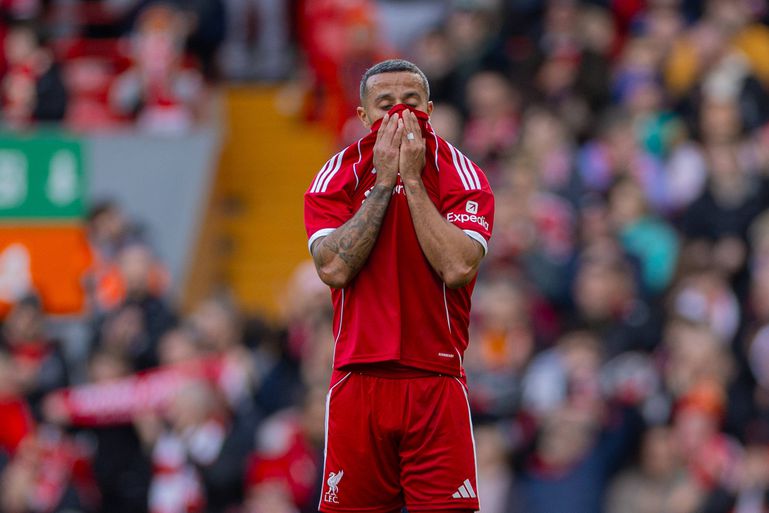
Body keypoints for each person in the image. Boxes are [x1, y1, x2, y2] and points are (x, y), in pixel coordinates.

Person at [304, 59, 494, 513]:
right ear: (363, 116)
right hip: (358, 379)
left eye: (411, 103)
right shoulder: (337, 175)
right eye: (385, 104)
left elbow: (457, 266)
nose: (399, 114)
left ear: (430, 107)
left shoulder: (461, 174)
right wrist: (383, 183)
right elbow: (332, 268)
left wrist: (411, 178)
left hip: (436, 379)